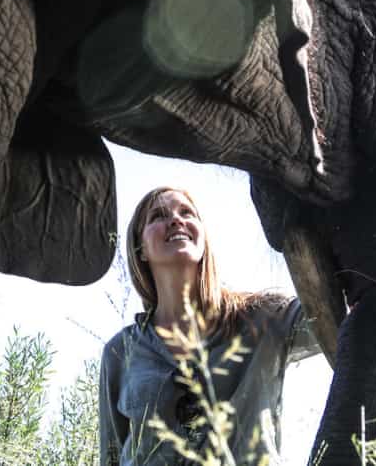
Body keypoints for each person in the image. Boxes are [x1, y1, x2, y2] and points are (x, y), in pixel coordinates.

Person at [98, 186, 318, 465]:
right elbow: (111, 455)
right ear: (140, 249)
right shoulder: (121, 351)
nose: (176, 220)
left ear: (203, 237)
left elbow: (335, 318)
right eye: (158, 216)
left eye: (187, 213)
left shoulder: (266, 317)